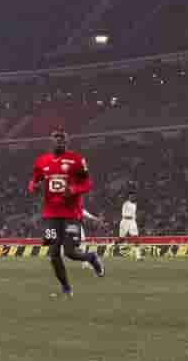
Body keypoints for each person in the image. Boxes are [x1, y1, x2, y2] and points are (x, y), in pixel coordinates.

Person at [29, 127, 103, 297]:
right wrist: (35, 187)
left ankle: (91, 258)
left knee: (70, 252)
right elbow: (33, 183)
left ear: (66, 142)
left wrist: (75, 189)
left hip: (71, 214)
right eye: (56, 138)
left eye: (62, 139)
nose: (59, 141)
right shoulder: (41, 162)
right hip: (51, 216)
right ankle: (66, 288)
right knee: (53, 253)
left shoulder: (77, 160)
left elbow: (88, 184)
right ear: (51, 141)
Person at [118, 193, 141, 258]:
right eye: (131, 196)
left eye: (133, 196)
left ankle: (138, 256)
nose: (132, 197)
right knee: (121, 239)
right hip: (125, 222)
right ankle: (110, 246)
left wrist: (135, 218)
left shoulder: (135, 204)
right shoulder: (126, 204)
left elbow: (134, 213)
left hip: (132, 222)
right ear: (128, 197)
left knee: (136, 238)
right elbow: (124, 214)